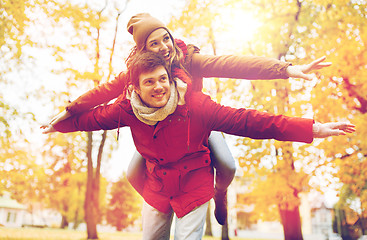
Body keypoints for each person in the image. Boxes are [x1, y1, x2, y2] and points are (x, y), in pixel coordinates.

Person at [42, 12, 332, 225]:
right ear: (144, 51)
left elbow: (235, 65)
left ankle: (218, 193)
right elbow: (102, 93)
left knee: (228, 164)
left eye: (165, 38)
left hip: (198, 126)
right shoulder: (139, 74)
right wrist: (66, 113)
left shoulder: (188, 60)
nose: (164, 47)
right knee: (132, 172)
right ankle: (163, 203)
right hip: (158, 139)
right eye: (154, 44)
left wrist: (286, 69)